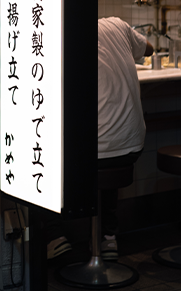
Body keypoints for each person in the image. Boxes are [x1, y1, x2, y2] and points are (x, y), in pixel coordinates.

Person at [48, 17, 153, 263]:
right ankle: (107, 237)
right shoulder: (117, 24)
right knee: (105, 153)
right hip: (132, 147)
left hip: (96, 153)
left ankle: (53, 236)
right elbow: (148, 49)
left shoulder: (56, 31)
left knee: (39, 158)